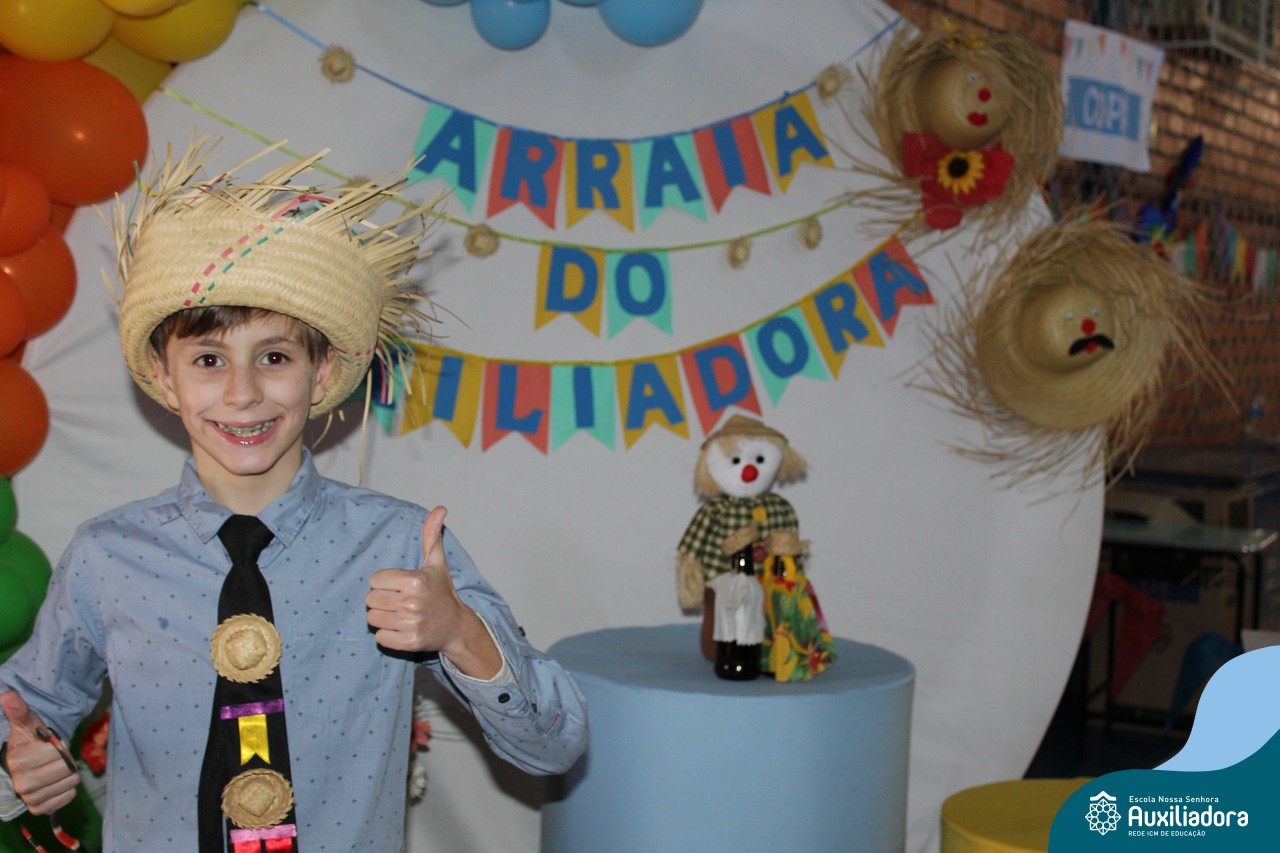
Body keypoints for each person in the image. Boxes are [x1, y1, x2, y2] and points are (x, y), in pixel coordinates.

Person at [0, 140, 587, 852]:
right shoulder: (107, 555)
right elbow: (27, 706)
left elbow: (556, 745)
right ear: (165, 376)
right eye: (209, 360)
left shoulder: (403, 549)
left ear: (322, 372)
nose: (242, 393)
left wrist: (460, 631)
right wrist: (16, 758)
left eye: (274, 357)